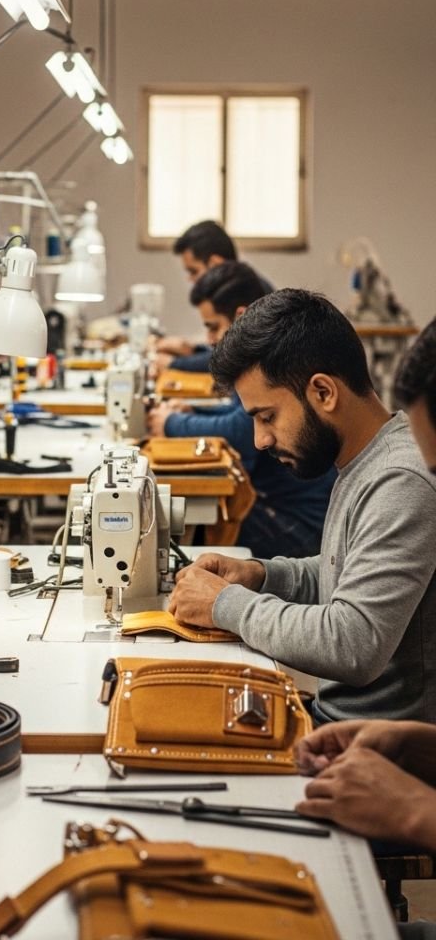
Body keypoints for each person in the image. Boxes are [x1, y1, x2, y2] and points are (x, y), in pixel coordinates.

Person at [168, 289, 436, 725]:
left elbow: (354, 643)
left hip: (371, 749)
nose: (260, 440)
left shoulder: (399, 478)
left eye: (267, 416)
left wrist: (227, 605)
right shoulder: (364, 459)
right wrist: (262, 575)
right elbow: (346, 576)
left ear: (324, 392)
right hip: (337, 724)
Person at [294, 317, 436, 838]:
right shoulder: (374, 463)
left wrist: (416, 810)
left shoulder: (404, 478)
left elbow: (352, 644)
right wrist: (410, 742)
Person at [147, 262, 334, 558]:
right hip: (289, 508)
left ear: (240, 317)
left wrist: (173, 423)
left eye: (213, 327)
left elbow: (242, 431)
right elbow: (243, 418)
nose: (208, 340)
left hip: (300, 524)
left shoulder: (267, 362)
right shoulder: (259, 359)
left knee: (185, 537)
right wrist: (190, 412)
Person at [156, 220, 273, 373]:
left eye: (193, 271)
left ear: (215, 263)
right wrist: (193, 350)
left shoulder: (258, 300)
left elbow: (231, 358)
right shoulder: (248, 286)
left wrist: (176, 363)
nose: (191, 280)